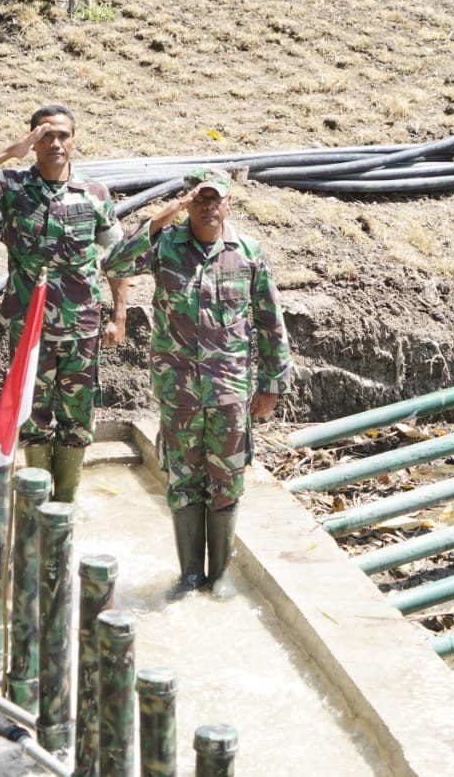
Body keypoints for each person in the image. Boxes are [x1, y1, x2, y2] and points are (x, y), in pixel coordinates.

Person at [102, 166, 291, 599]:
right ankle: (189, 574)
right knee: (184, 479)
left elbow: (270, 322)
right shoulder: (165, 246)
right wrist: (159, 220)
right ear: (189, 202)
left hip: (229, 391)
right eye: (200, 200)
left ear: (229, 202)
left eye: (216, 200)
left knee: (226, 478)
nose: (209, 208)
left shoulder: (247, 252)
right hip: (180, 390)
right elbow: (113, 264)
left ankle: (220, 572)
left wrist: (273, 384)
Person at [0, 104, 127, 503]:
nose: (55, 143)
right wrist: (9, 153)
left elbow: (116, 257)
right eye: (45, 135)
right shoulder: (12, 186)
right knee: (31, 414)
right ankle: (37, 502)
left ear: (74, 141)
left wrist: (119, 314)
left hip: (82, 327)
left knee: (78, 417)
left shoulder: (94, 194)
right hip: (29, 330)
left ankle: (66, 503)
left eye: (63, 135)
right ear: (34, 141)